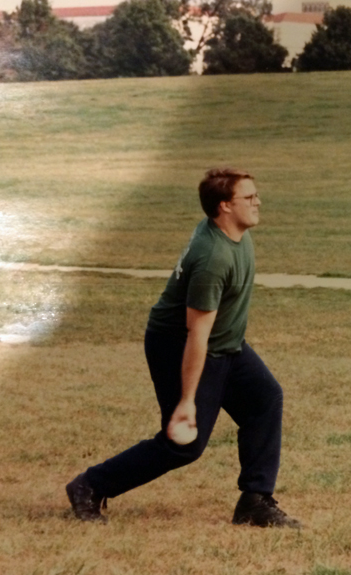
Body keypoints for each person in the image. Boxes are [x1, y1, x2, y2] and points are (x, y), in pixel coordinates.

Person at [66, 167, 301, 528]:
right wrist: (188, 400)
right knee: (183, 444)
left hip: (226, 345)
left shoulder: (234, 231)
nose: (258, 202)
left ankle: (255, 501)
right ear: (224, 206)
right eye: (249, 197)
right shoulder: (213, 258)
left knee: (264, 399)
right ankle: (90, 485)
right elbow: (196, 334)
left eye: (256, 195)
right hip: (180, 345)